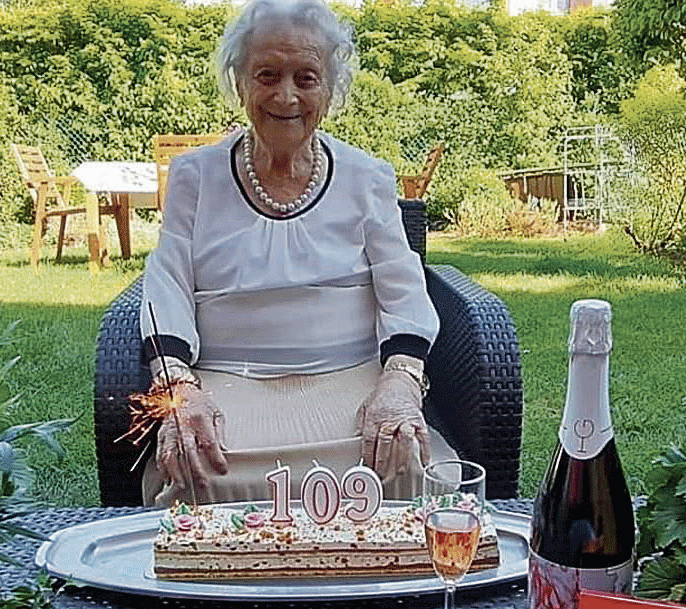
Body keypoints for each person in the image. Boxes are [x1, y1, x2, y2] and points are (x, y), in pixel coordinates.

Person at [139, 0, 457, 506]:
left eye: (306, 78)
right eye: (267, 74)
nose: (285, 95)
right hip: (224, 380)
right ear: (240, 82)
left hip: (352, 378)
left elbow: (405, 292)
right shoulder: (194, 177)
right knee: (201, 471)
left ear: (329, 92)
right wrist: (180, 391)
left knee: (405, 463)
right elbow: (167, 288)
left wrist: (399, 382)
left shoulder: (367, 177)